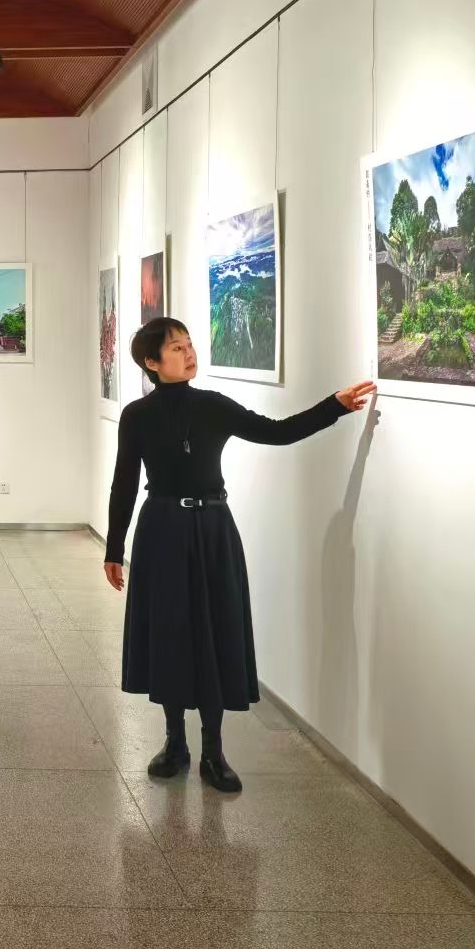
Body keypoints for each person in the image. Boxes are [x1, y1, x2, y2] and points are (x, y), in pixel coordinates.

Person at [104, 317, 374, 793]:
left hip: (213, 529)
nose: (189, 353)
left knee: (214, 630)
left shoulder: (212, 405)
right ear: (151, 362)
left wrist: (334, 406)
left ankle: (213, 751)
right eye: (176, 348)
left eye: (190, 344)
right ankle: (174, 742)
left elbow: (278, 432)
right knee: (170, 633)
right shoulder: (137, 416)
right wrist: (114, 547)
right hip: (162, 529)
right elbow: (124, 482)